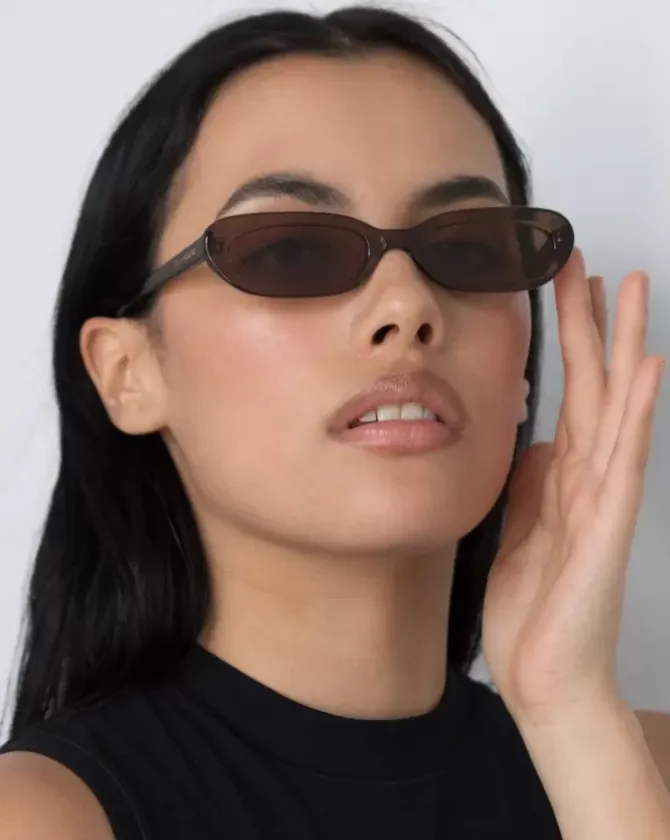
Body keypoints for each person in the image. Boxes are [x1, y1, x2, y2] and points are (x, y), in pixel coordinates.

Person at [0, 5, 669, 839]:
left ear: (522, 373)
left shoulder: (635, 770)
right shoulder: (43, 817)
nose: (408, 305)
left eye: (466, 248)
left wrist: (574, 715)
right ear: (128, 374)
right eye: (290, 250)